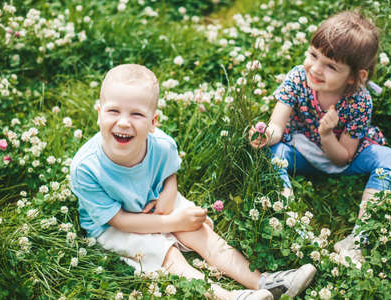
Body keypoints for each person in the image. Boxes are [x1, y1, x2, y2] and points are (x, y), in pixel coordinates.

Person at [70, 64, 316, 300]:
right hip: (113, 227)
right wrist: (171, 221)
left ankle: (265, 282)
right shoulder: (86, 168)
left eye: (136, 114)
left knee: (201, 233)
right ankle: (228, 296)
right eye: (114, 111)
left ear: (153, 122)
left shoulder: (162, 145)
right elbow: (119, 220)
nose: (124, 122)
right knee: (169, 255)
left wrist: (169, 191)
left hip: (153, 200)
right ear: (99, 114)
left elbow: (169, 173)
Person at [249, 11, 391, 268]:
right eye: (313, 55)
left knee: (389, 157)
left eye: (331, 66)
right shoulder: (298, 78)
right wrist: (265, 135)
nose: (316, 69)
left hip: (341, 157)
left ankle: (359, 237)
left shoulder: (359, 101)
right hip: (302, 152)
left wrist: (326, 134)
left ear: (355, 77)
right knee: (273, 153)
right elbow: (277, 125)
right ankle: (290, 224)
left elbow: (344, 157)